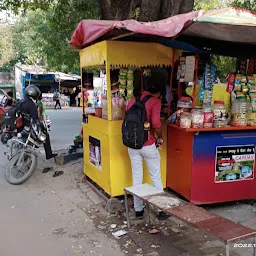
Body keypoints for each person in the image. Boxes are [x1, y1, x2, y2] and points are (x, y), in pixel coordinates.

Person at [126, 81, 167, 220]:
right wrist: (160, 136)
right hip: (148, 144)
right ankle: (161, 210)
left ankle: (138, 210)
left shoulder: (132, 101)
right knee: (155, 175)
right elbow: (155, 123)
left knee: (136, 176)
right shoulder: (155, 101)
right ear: (158, 94)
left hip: (132, 144)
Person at [20, 85, 56, 160]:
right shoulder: (31, 104)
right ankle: (48, 154)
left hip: (22, 127)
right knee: (45, 135)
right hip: (29, 127)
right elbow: (35, 119)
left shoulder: (21, 102)